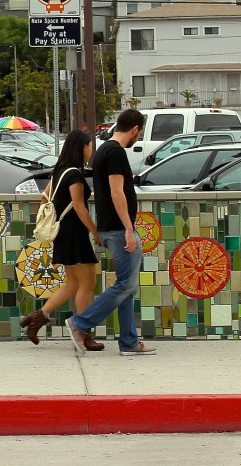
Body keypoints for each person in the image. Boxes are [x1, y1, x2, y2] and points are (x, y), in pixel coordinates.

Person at [66, 108, 155, 357]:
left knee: (128, 287)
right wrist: (128, 229)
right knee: (125, 284)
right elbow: (117, 192)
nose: (138, 137)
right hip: (118, 229)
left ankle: (129, 342)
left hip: (108, 227)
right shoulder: (115, 152)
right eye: (140, 133)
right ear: (135, 129)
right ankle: (80, 323)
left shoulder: (103, 150)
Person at [19, 130, 103, 350]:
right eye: (89, 146)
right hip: (75, 233)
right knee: (88, 284)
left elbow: (44, 197)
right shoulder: (75, 175)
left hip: (62, 232)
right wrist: (95, 231)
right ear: (81, 147)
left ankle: (37, 319)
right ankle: (83, 333)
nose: (91, 150)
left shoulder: (58, 172)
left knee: (73, 283)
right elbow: (79, 206)